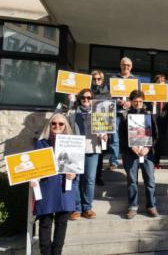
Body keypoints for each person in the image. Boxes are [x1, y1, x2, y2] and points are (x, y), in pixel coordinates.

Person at [32, 113, 76, 255]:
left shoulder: (73, 143)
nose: (57, 126)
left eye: (61, 124)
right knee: (45, 223)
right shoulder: (41, 143)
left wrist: (74, 174)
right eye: (54, 123)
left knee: (62, 223)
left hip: (65, 189)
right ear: (50, 125)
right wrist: (33, 178)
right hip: (47, 188)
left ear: (66, 126)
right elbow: (33, 168)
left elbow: (78, 167)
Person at [119, 90, 159, 219]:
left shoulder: (149, 115)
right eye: (135, 101)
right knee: (132, 181)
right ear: (131, 102)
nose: (138, 103)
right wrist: (132, 147)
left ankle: (151, 206)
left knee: (150, 180)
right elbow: (122, 136)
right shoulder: (125, 116)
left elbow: (156, 134)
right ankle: (133, 207)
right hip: (130, 153)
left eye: (140, 101)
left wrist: (148, 147)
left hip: (147, 153)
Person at [68, 89, 107, 220]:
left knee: (90, 180)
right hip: (75, 149)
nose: (86, 100)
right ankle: (77, 208)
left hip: (92, 148)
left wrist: (104, 136)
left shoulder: (99, 113)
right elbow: (66, 130)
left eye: (89, 98)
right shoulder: (72, 113)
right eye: (83, 98)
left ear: (93, 99)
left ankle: (88, 208)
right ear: (79, 99)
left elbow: (105, 131)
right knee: (76, 180)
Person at [108, 57, 137, 171]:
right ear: (120, 65)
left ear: (131, 67)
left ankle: (130, 161)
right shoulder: (113, 79)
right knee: (114, 139)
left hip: (129, 114)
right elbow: (107, 96)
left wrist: (130, 103)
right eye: (124, 65)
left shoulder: (135, 80)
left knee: (130, 138)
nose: (126, 67)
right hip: (115, 113)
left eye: (128, 65)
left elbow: (138, 97)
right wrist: (117, 101)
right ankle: (114, 162)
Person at [91, 70, 110, 186]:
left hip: (102, 123)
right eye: (94, 79)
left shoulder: (107, 92)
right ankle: (89, 176)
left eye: (99, 79)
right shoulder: (87, 91)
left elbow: (110, 109)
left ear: (102, 80)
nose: (96, 81)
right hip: (87, 125)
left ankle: (98, 176)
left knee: (100, 153)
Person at [152, 74, 168, 169]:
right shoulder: (150, 92)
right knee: (152, 142)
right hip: (152, 119)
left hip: (163, 120)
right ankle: (150, 162)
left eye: (163, 80)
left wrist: (165, 114)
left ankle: (157, 162)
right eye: (159, 80)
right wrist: (151, 104)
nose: (161, 82)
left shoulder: (167, 94)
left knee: (159, 142)